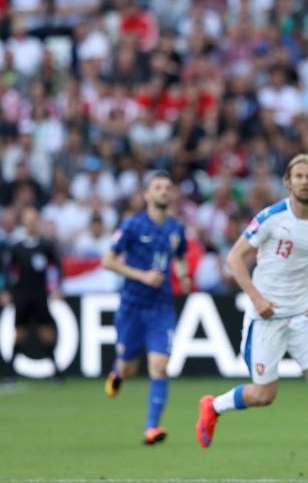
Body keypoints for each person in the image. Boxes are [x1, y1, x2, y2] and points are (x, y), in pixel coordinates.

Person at [195, 154, 308, 481]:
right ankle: (213, 406)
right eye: (298, 176)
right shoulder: (271, 217)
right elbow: (234, 258)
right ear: (288, 182)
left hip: (302, 315)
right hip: (266, 316)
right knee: (263, 395)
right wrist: (257, 298)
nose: (304, 181)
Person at [101, 171, 190, 445]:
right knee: (129, 368)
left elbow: (180, 257)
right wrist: (142, 276)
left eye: (167, 187)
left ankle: (152, 427)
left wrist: (184, 275)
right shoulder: (132, 225)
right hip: (132, 307)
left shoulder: (176, 229)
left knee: (159, 366)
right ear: (147, 195)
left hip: (161, 308)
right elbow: (108, 261)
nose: (163, 191)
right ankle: (118, 371)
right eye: (158, 187)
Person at [2, 207, 64, 383]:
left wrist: (57, 287)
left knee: (46, 331)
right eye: (29, 219)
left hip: (40, 293)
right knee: (19, 332)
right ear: (24, 222)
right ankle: (10, 373)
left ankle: (56, 372)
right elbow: (8, 270)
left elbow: (56, 266)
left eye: (34, 219)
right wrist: (6, 290)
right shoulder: (17, 247)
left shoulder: (45, 245)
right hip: (22, 294)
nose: (32, 223)